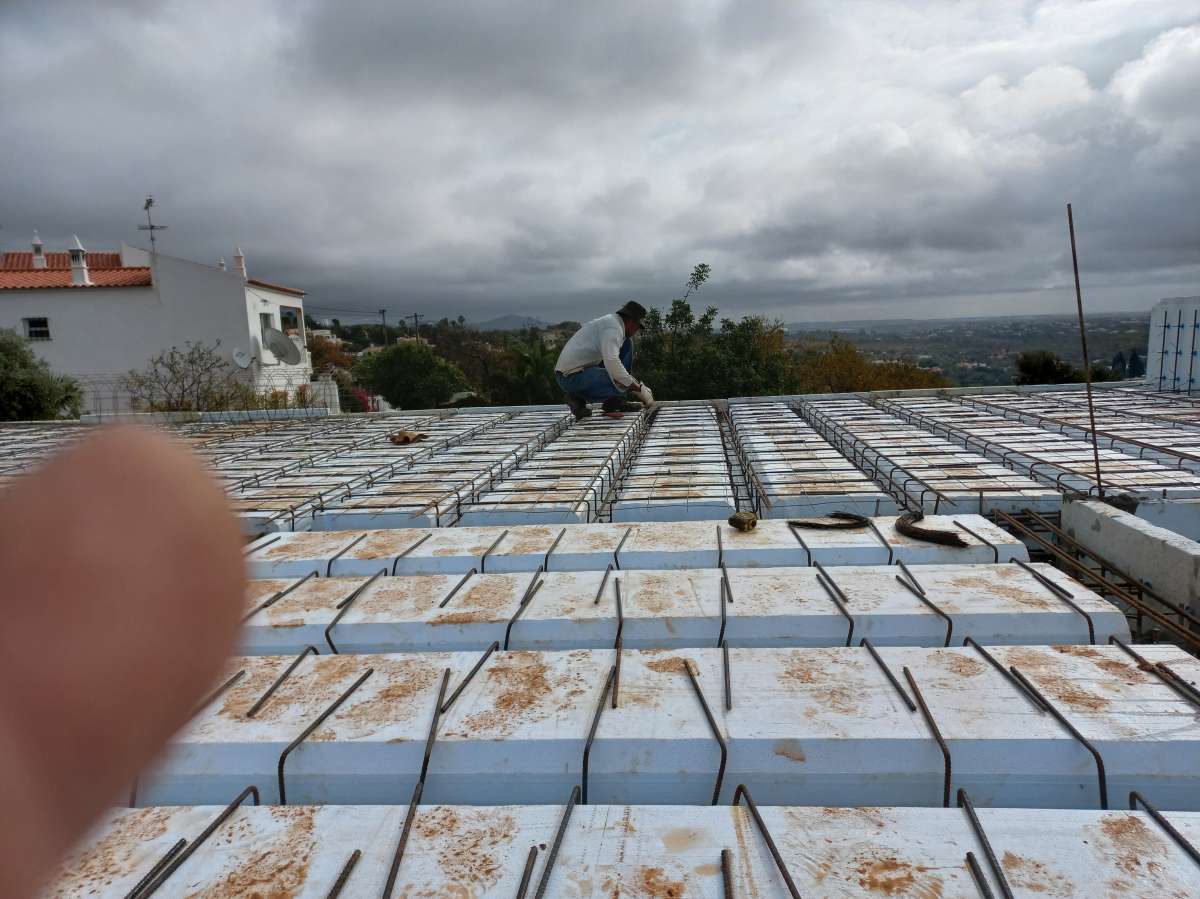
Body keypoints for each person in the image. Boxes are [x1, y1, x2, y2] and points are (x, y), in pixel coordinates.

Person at [554, 301, 656, 420]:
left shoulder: (615, 325)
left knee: (626, 344)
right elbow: (612, 363)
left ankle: (615, 401)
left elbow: (615, 365)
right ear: (630, 321)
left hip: (583, 371)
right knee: (617, 380)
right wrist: (638, 389)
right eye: (637, 327)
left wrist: (632, 384)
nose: (636, 331)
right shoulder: (612, 329)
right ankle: (576, 397)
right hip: (570, 377)